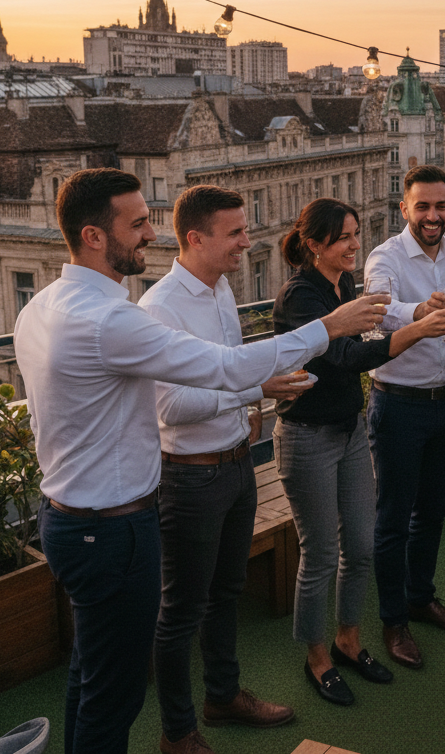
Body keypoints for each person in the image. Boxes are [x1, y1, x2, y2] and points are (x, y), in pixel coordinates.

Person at [14, 168, 384, 754]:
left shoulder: (42, 306)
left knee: (93, 675)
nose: (151, 235)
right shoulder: (114, 317)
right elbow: (227, 372)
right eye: (136, 224)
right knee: (116, 692)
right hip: (112, 525)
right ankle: (180, 732)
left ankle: (219, 697)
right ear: (92, 235)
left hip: (76, 516)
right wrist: (328, 327)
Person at [272, 198, 445, 704]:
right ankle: (316, 659)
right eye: (343, 238)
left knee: (359, 545)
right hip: (307, 436)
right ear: (313, 244)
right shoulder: (301, 295)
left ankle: (349, 641)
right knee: (320, 554)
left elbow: (363, 336)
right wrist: (414, 332)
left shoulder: (344, 285)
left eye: (356, 234)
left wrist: (403, 326)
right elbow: (346, 356)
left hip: (349, 429)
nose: (354, 244)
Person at [139, 186, 304, 754]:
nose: (247, 241)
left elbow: (228, 374)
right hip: (189, 478)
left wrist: (252, 408)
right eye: (235, 232)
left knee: (227, 590)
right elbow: (170, 409)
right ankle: (178, 733)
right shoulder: (159, 308)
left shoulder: (223, 287)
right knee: (182, 607)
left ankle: (224, 696)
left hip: (234, 465)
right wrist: (256, 393)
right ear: (195, 238)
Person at [362, 165, 445, 669]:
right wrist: (418, 313)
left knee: (432, 513)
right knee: (392, 521)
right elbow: (378, 307)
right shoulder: (384, 256)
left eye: (441, 206)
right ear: (404, 208)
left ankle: (421, 598)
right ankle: (394, 622)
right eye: (423, 206)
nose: (433, 216)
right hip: (399, 404)